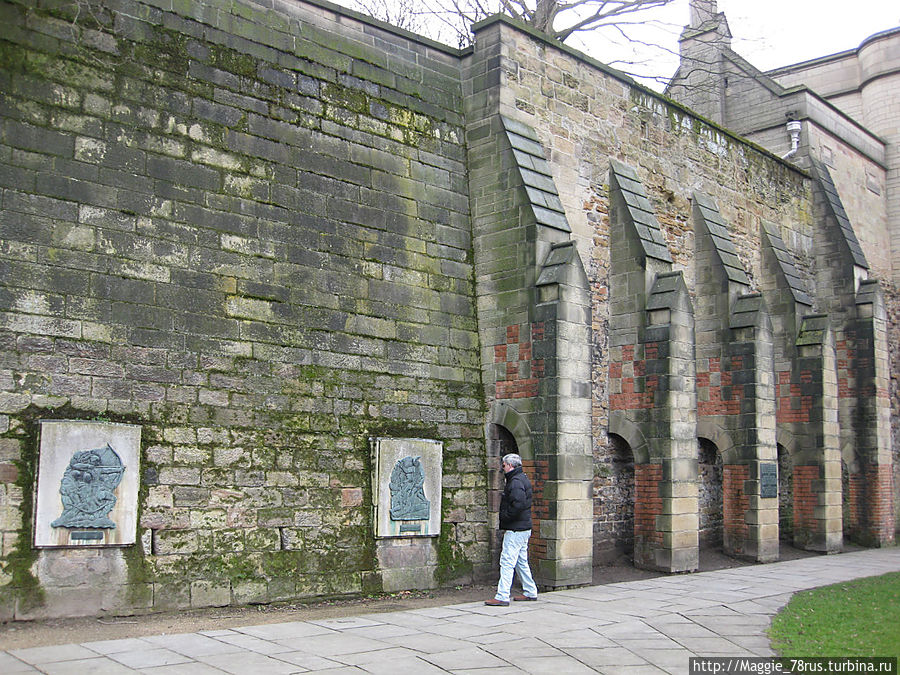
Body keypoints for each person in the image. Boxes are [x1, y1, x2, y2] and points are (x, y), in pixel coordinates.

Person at [485, 453, 539, 606]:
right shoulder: (522, 478)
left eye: (503, 465)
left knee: (507, 561)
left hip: (516, 529)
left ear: (509, 465)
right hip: (523, 527)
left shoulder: (515, 481)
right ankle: (530, 591)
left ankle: (502, 596)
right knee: (521, 561)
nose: (503, 468)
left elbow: (518, 504)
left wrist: (506, 517)